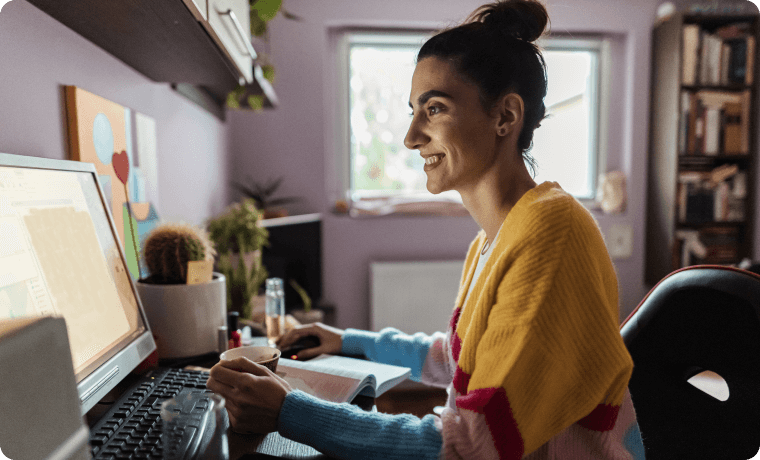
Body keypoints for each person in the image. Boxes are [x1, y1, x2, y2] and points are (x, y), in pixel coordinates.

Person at [206, 1, 644, 458]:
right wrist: (348, 342)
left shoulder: (552, 233)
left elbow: (472, 448)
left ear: (505, 117)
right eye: (414, 110)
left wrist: (290, 411)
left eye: (434, 109)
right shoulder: (496, 237)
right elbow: (464, 361)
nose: (411, 135)